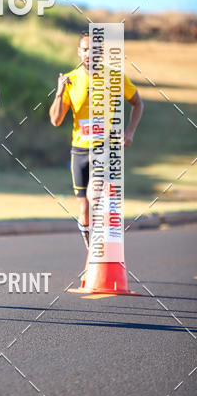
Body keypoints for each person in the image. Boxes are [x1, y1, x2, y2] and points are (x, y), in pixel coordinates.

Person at [49, 30, 143, 249]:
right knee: (83, 210)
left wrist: (129, 132)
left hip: (104, 147)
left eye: (96, 50)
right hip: (79, 150)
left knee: (95, 195)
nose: (90, 54)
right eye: (86, 49)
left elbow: (138, 103)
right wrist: (59, 92)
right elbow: (55, 119)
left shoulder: (116, 77)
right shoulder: (71, 80)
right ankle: (94, 256)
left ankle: (105, 243)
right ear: (79, 52)